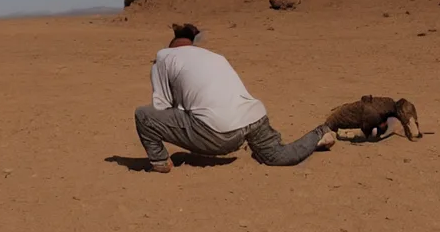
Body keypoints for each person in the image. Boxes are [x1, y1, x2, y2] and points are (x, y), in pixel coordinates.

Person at [134, 24, 334, 172]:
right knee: (276, 156)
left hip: (220, 134)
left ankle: (160, 162)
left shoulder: (163, 57)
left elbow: (164, 105)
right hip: (254, 117)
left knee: (143, 115)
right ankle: (319, 134)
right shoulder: (214, 56)